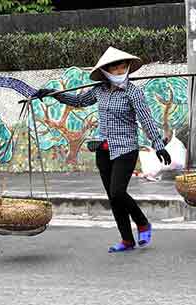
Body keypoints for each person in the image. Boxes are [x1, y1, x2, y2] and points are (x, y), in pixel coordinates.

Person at [33, 47, 171, 253]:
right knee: (113, 197)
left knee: (118, 191)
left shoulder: (134, 92)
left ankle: (142, 222)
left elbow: (146, 120)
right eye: (115, 68)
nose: (120, 71)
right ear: (106, 71)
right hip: (103, 150)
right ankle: (127, 240)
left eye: (123, 67)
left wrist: (158, 145)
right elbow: (79, 101)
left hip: (126, 148)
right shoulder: (99, 90)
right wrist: (53, 94)